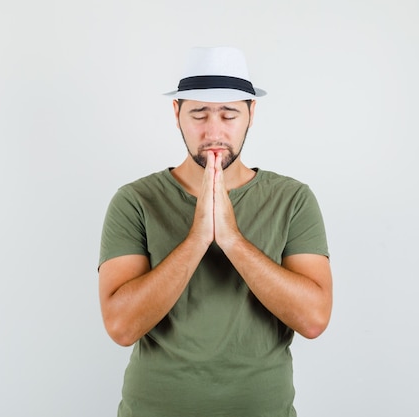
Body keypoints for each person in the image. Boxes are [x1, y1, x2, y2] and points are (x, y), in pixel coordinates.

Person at [98, 46, 333, 417]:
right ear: (176, 114)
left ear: (251, 114)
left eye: (229, 115)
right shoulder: (135, 201)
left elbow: (314, 319)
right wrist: (196, 239)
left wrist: (232, 239)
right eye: (198, 114)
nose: (214, 132)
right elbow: (121, 327)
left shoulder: (293, 199)